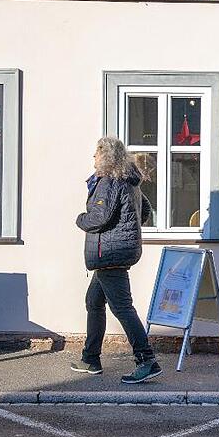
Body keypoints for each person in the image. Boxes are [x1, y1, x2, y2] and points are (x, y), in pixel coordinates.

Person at [70, 137, 161, 384]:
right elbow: (144, 210)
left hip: (110, 253)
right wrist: (126, 228)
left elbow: (99, 217)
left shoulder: (109, 181)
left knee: (122, 307)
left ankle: (147, 360)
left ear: (106, 156)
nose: (94, 157)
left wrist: (80, 219)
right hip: (115, 251)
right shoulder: (129, 180)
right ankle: (90, 358)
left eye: (97, 152)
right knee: (94, 302)